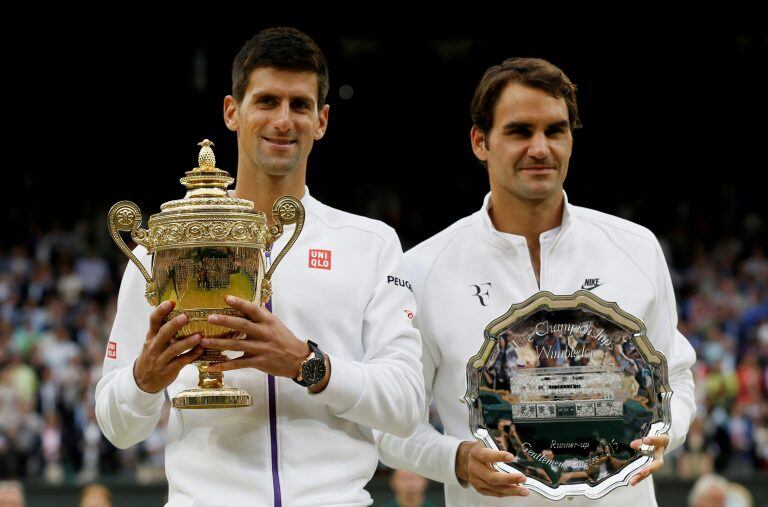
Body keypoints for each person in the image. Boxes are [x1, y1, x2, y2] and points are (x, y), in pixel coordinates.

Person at [95, 27, 424, 506]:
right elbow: (116, 426)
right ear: (233, 111)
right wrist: (144, 379)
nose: (283, 120)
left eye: (300, 105)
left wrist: (307, 365)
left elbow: (406, 406)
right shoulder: (164, 246)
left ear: (322, 120)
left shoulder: (371, 245)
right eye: (267, 101)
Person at [375, 57, 696, 506]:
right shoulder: (423, 268)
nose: (541, 148)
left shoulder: (636, 249)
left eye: (555, 130)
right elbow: (390, 424)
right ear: (479, 142)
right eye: (520, 131)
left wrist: (667, 430)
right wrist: (455, 460)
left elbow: (676, 379)